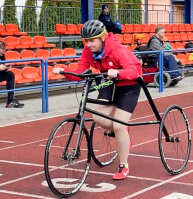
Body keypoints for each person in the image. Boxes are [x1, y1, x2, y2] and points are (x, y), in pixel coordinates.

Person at [53, 20, 141, 180]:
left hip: (129, 84)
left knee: (119, 124)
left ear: (102, 37)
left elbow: (133, 71)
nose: (88, 44)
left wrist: (119, 73)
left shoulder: (116, 48)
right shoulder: (88, 50)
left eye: (92, 40)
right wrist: (64, 72)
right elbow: (79, 71)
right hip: (108, 81)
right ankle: (121, 132)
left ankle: (123, 166)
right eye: (86, 41)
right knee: (97, 117)